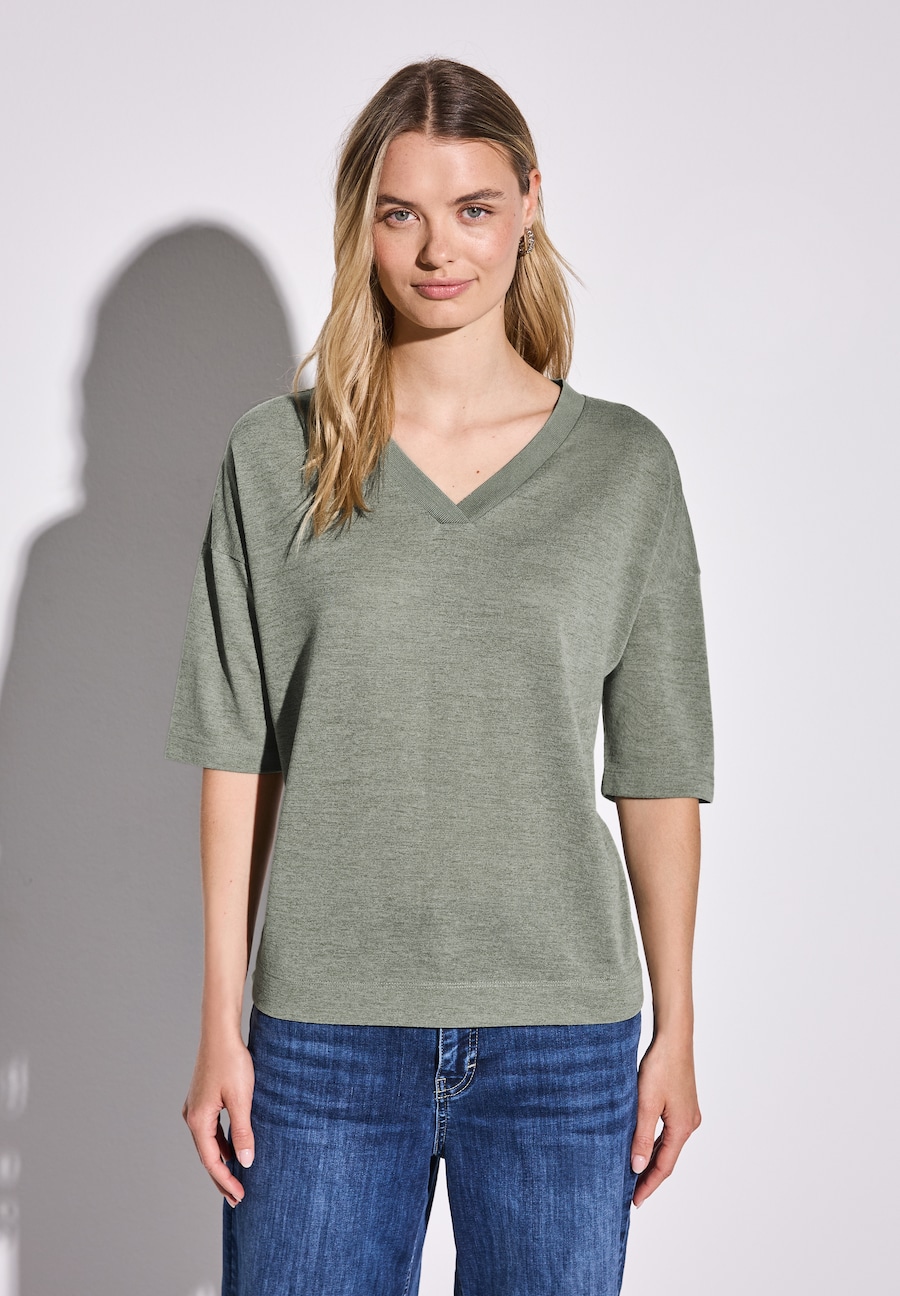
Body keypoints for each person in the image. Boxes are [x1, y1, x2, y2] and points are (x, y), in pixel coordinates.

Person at [165, 56, 714, 1296]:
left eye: (473, 208)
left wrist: (679, 1027)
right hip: (320, 1039)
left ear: (529, 203)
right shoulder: (278, 456)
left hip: (563, 1039)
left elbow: (660, 767)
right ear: (361, 225)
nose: (437, 250)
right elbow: (236, 754)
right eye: (400, 213)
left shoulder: (625, 468)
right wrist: (219, 1023)